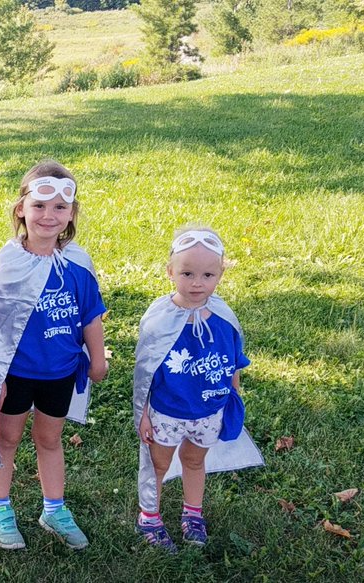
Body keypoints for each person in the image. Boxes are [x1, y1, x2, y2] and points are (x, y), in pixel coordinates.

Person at [0, 159, 108, 551]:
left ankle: (54, 509)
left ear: (72, 213)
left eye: (60, 207)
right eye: (39, 206)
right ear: (21, 209)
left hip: (59, 371)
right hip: (16, 372)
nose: (49, 215)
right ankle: (0, 508)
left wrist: (97, 357)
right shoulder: (8, 263)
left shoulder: (78, 263)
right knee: (7, 438)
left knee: (50, 438)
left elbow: (90, 313)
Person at [133, 226, 264, 552]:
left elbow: (233, 362)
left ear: (220, 274)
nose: (197, 283)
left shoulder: (224, 317)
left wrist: (233, 397)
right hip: (167, 410)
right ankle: (149, 516)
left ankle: (193, 514)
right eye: (187, 273)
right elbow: (145, 372)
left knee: (194, 460)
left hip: (208, 410)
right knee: (158, 464)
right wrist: (144, 414)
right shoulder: (160, 320)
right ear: (170, 271)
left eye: (207, 275)